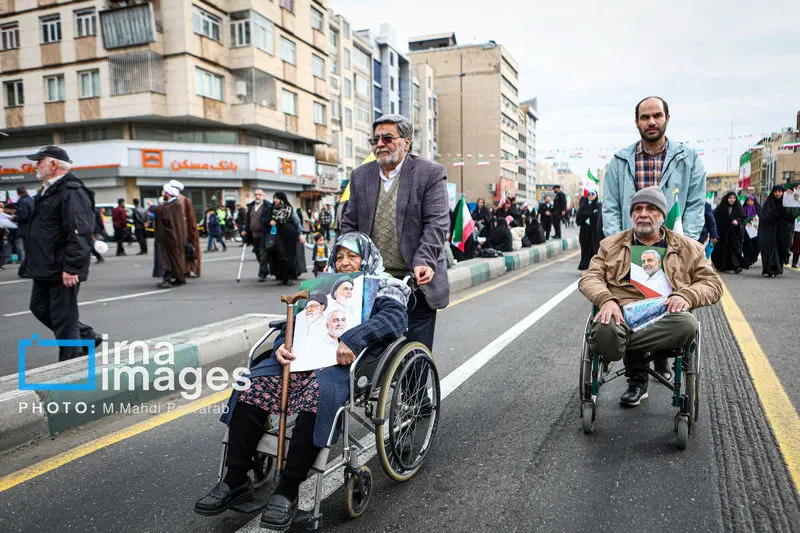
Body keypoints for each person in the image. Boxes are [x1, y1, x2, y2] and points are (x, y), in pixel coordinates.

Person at [196, 233, 410, 528]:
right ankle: (235, 478)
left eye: (353, 256)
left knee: (318, 396)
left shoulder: (383, 286)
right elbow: (295, 320)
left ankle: (287, 490)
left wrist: (353, 338)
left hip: (340, 362)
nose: (345, 263)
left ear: (367, 258)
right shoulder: (323, 286)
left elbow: (394, 320)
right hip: (299, 360)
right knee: (252, 385)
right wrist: (282, 344)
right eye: (339, 257)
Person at [579, 186, 722, 406]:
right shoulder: (610, 245)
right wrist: (606, 300)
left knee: (687, 324)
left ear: (663, 216)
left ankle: (633, 359)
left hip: (666, 315)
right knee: (603, 332)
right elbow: (590, 278)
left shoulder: (690, 249)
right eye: (638, 208)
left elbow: (712, 284)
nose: (643, 213)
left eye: (651, 208)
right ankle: (636, 375)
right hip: (623, 316)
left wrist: (687, 295)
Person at [341, 113, 450, 351]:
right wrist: (344, 258)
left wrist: (425, 261)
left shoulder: (430, 173)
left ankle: (417, 389)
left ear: (406, 142)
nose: (380, 144)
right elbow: (349, 225)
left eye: (387, 138)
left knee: (413, 354)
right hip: (372, 281)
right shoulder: (361, 176)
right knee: (369, 353)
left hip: (415, 280)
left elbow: (437, 223)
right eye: (376, 139)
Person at [20, 146, 99, 361]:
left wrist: (72, 267)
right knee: (38, 307)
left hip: (61, 266)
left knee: (64, 318)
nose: (36, 165)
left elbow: (79, 231)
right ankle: (84, 336)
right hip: (44, 265)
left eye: (40, 161)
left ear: (53, 164)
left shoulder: (72, 191)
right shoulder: (48, 190)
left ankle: (70, 367)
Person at [603, 96, 707, 240]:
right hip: (630, 251)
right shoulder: (620, 162)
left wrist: (682, 249)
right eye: (645, 117)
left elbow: (695, 209)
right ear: (637, 122)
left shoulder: (690, 161)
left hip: (674, 252)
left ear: (667, 118)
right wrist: (620, 248)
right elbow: (610, 209)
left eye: (657, 115)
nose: (651, 122)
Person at [758, 185, 800, 277]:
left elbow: (791, 216)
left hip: (782, 232)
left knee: (782, 249)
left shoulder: (787, 202)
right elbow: (763, 217)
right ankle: (771, 270)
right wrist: (772, 218)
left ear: (782, 192)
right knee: (771, 250)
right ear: (773, 193)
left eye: (780, 191)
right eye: (775, 192)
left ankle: (777, 268)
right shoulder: (768, 204)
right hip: (770, 232)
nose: (777, 194)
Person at [154, 183, 188, 288]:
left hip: (169, 237)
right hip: (176, 236)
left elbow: (166, 221)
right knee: (175, 258)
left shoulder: (169, 206)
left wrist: (155, 207)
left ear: (168, 194)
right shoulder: (176, 204)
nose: (162, 193)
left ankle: (167, 279)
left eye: (164, 192)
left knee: (168, 259)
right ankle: (179, 277)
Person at [267, 192, 304, 286]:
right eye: (274, 198)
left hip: (290, 235)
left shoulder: (289, 209)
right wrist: (270, 222)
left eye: (277, 198)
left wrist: (300, 234)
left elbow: (297, 221)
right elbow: (266, 219)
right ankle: (281, 276)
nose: (275, 200)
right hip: (277, 235)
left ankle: (290, 277)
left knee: (290, 255)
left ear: (282, 199)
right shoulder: (272, 209)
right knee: (279, 254)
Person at [168, 180, 202, 278]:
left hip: (184, 231)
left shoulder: (185, 200)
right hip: (175, 231)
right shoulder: (171, 201)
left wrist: (192, 232)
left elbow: (191, 218)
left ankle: (185, 270)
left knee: (186, 251)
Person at [711, 192, 746, 274]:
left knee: (734, 249)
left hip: (734, 234)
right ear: (727, 198)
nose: (732, 200)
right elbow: (715, 218)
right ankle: (722, 266)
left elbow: (742, 218)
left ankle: (736, 266)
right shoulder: (721, 207)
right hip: (723, 233)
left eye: (734, 198)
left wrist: (737, 220)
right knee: (722, 250)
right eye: (730, 198)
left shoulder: (738, 207)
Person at [242, 189, 272, 282]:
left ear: (263, 196)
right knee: (258, 254)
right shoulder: (251, 206)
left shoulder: (267, 206)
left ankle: (262, 274)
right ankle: (265, 269)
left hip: (264, 234)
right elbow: (248, 220)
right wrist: (245, 230)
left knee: (263, 254)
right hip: (254, 234)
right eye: (256, 194)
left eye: (259, 194)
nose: (257, 196)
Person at [5, 185, 34, 264]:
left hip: (24, 228)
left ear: (18, 193)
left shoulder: (22, 201)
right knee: (29, 247)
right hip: (32, 227)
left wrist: (13, 218)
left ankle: (25, 265)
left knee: (22, 247)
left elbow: (23, 216)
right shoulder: (31, 200)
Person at [576, 190, 604, 270]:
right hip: (584, 230)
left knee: (594, 247)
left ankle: (594, 266)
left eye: (592, 194)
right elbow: (579, 216)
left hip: (594, 231)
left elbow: (598, 217)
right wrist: (591, 213)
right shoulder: (584, 204)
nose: (590, 195)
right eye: (589, 194)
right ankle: (585, 264)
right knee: (585, 247)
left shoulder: (598, 205)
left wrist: (587, 214)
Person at [741, 195, 760, 267]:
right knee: (747, 245)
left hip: (756, 231)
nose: (750, 202)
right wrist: (746, 222)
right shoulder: (743, 209)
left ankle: (753, 259)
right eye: (748, 200)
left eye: (752, 200)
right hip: (746, 231)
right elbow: (741, 219)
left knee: (756, 245)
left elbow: (762, 217)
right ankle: (747, 260)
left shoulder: (757, 209)